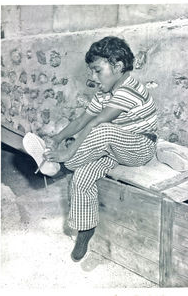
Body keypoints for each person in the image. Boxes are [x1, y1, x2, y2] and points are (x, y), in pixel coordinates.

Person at [44, 36, 158, 262]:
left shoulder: (129, 89)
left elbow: (97, 125)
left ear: (117, 67)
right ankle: (85, 230)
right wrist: (57, 139)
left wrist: (67, 153)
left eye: (97, 71)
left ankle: (61, 166)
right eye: (92, 72)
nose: (93, 77)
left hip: (139, 147)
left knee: (101, 131)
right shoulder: (104, 93)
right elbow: (81, 121)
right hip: (112, 148)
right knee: (82, 176)